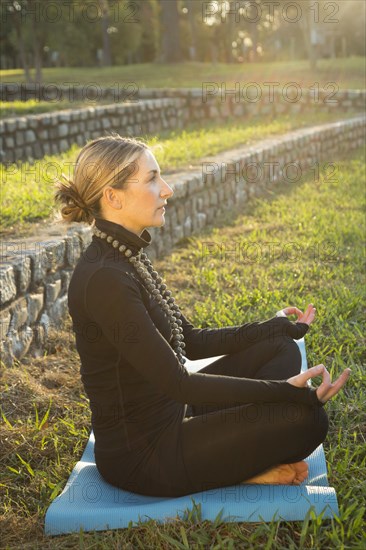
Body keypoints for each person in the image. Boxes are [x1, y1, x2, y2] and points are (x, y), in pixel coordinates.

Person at [55, 134, 351, 497]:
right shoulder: (105, 279)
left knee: (277, 346)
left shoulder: (124, 253)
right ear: (113, 197)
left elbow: (191, 341)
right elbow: (179, 382)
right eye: (151, 179)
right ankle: (243, 468)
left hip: (177, 410)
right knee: (307, 419)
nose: (167, 189)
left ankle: (233, 449)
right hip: (146, 455)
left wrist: (273, 327)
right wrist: (286, 394)